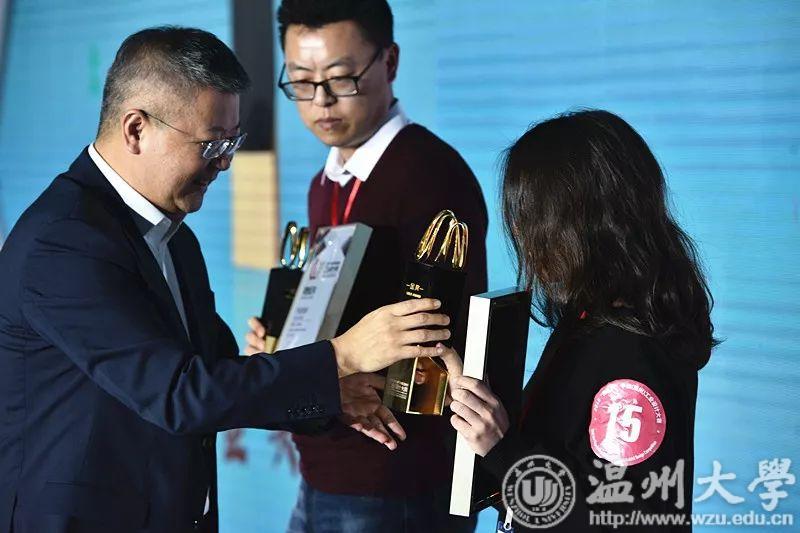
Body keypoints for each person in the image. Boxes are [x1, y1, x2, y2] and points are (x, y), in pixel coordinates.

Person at [0, 27, 452, 533]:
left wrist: (332, 395)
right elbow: (179, 394)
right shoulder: (64, 242)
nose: (226, 162)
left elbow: (215, 374)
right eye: (211, 143)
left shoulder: (174, 236)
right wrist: (343, 355)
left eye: (233, 141)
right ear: (136, 129)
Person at [244, 1, 487, 531]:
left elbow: (443, 353)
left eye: (340, 78)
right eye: (301, 81)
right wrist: (283, 345)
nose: (321, 101)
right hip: (324, 467)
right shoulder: (325, 182)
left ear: (390, 62)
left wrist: (321, 383)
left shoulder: (430, 177)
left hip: (397, 481)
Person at [442, 110, 717, 531]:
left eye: (532, 214)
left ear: (578, 220)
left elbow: (622, 515)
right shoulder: (588, 320)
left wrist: (502, 449)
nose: (522, 232)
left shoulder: (630, 349)